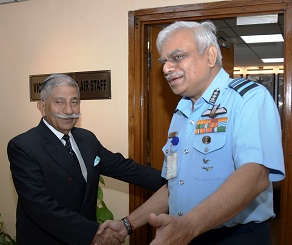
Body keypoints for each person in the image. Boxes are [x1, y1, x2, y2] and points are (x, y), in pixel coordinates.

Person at [97, 20, 286, 245]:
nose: (166, 68)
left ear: (210, 56)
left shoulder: (248, 98)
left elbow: (255, 175)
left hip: (235, 237)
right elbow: (174, 187)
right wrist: (127, 224)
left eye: (177, 57)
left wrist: (189, 226)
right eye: (163, 61)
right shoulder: (182, 112)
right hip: (187, 234)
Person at [7, 73, 165, 245]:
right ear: (42, 107)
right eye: (59, 102)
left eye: (74, 102)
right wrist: (93, 233)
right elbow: (41, 207)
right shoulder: (24, 146)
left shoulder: (87, 139)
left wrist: (175, 181)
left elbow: (125, 168)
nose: (68, 110)